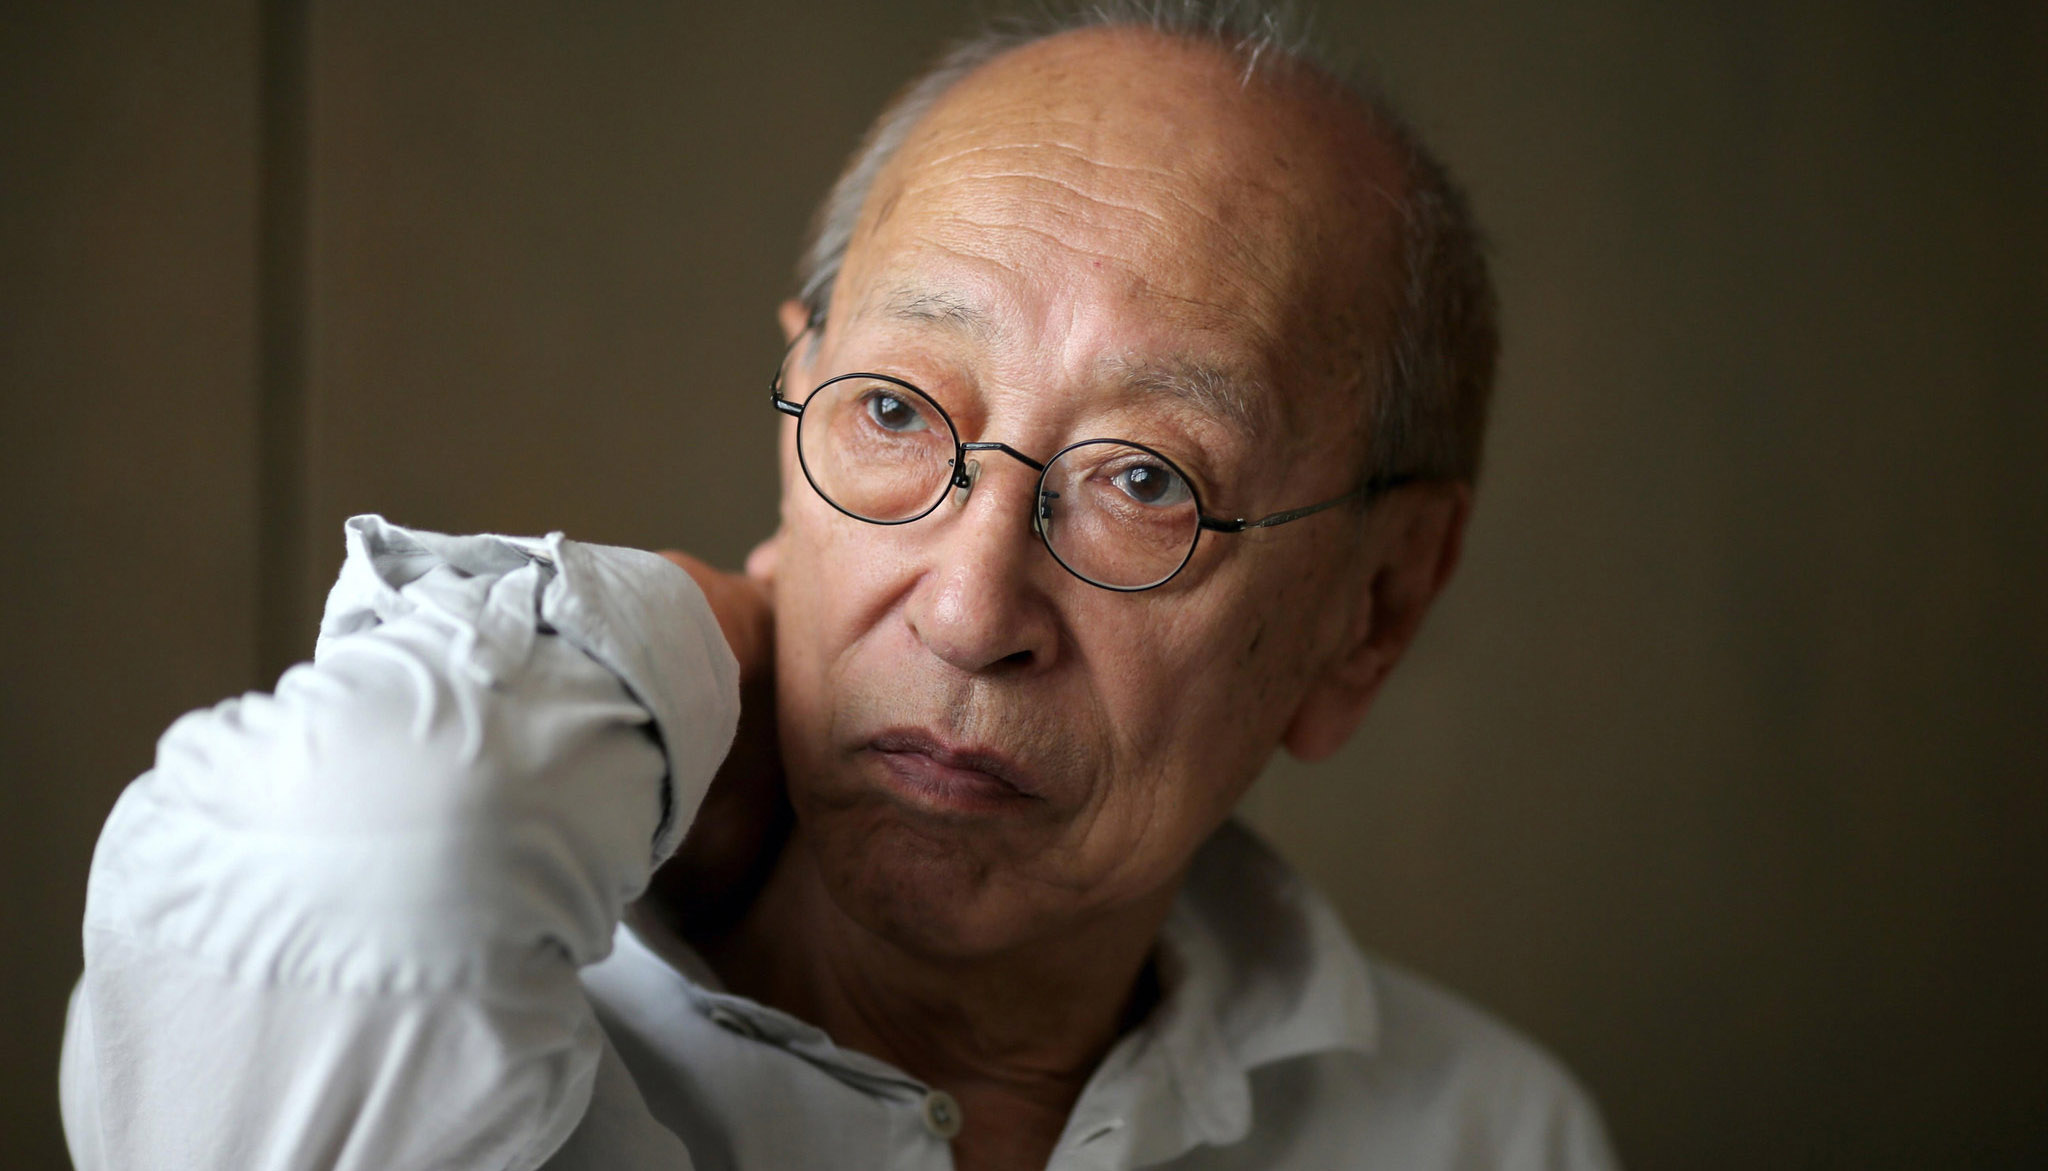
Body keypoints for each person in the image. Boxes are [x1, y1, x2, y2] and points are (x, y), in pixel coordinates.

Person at [60, 4, 1618, 1169]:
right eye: (892, 412)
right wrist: (670, 639)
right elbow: (361, 849)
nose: (967, 611)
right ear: (795, 399)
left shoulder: (1482, 1134)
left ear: (1375, 609)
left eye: (1147, 479)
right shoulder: (464, 1017)